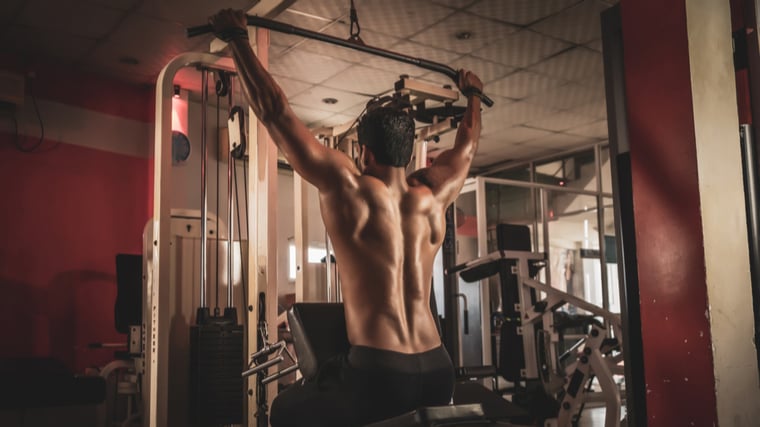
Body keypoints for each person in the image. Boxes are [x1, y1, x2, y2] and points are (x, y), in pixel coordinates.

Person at [209, 9, 483, 427]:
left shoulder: (349, 187)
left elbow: (275, 112)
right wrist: (474, 97)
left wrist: (237, 40)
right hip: (437, 369)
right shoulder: (434, 195)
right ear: (407, 153)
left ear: (365, 152)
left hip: (379, 372)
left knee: (284, 411)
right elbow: (467, 147)